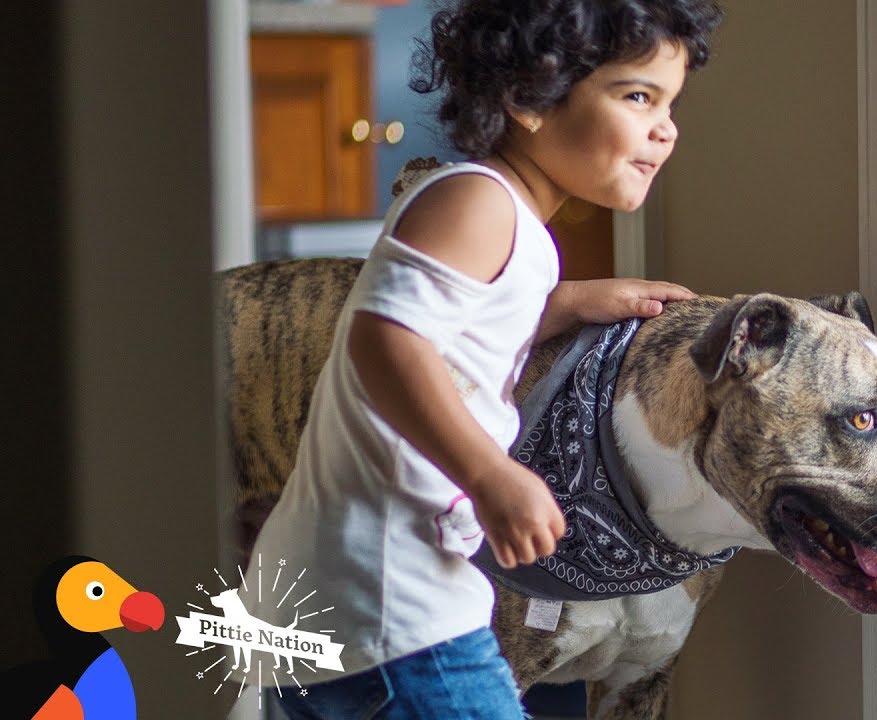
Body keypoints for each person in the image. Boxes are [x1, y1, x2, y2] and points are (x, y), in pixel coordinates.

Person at [248, 1, 724, 717]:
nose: (666, 127)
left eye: (671, 103)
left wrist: (562, 303)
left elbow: (452, 332)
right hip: (396, 607)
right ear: (529, 97)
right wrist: (491, 474)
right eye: (638, 96)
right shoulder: (480, 204)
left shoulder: (502, 218)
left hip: (341, 601)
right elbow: (386, 341)